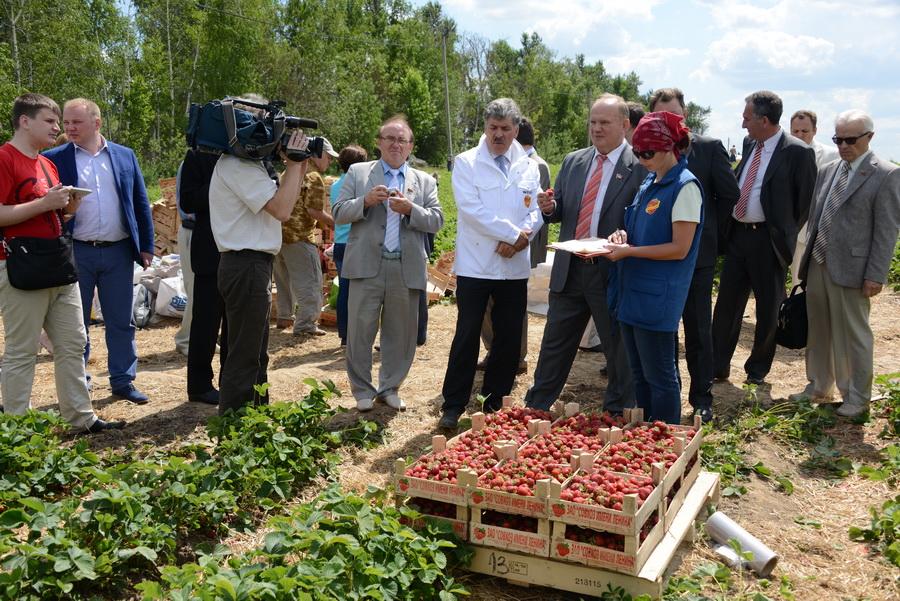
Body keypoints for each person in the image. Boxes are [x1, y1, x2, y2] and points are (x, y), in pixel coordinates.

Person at [0, 93, 123, 433]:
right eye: (50, 121)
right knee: (22, 351)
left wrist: (68, 208)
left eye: (59, 121)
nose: (58, 128)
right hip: (20, 266)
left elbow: (51, 212)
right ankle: (17, 430)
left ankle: (81, 419)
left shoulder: (46, 163)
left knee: (72, 343)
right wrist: (44, 204)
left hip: (57, 262)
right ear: (25, 122)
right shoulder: (4, 159)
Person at [523, 94, 646, 414]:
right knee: (555, 344)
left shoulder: (640, 167)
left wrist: (625, 238)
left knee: (617, 347)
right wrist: (550, 208)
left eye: (605, 122)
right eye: (593, 122)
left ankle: (616, 414)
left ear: (624, 125)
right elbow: (561, 209)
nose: (597, 128)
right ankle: (536, 407)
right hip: (570, 268)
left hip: (610, 271)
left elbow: (643, 222)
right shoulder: (574, 161)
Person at [439, 98, 541, 429]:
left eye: (505, 129)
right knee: (467, 334)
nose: (498, 134)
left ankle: (495, 401)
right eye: (492, 128)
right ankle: (453, 404)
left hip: (514, 265)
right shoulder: (467, 162)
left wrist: (526, 235)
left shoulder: (528, 165)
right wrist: (515, 235)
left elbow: (535, 208)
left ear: (516, 129)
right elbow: (472, 210)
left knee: (509, 336)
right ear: (485, 127)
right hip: (477, 264)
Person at [45, 98, 155, 405]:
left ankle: (123, 381)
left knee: (121, 320)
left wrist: (146, 245)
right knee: (75, 324)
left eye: (76, 122)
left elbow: (139, 201)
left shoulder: (124, 155)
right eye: (66, 122)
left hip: (118, 252)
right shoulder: (54, 158)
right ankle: (81, 382)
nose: (68, 128)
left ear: (97, 123)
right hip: (74, 251)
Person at [792, 110, 899, 417]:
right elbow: (816, 216)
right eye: (838, 139)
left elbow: (886, 231)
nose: (844, 146)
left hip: (854, 270)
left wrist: (875, 274)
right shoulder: (829, 169)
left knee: (853, 336)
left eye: (851, 140)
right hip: (819, 262)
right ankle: (819, 386)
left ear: (870, 137)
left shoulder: (886, 174)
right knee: (820, 331)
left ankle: (856, 397)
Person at [333, 116, 443, 412]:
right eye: (390, 139)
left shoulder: (425, 181)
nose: (396, 144)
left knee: (401, 333)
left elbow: (437, 220)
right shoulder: (358, 173)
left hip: (405, 267)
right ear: (379, 143)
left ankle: (390, 388)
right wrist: (365, 202)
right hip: (366, 264)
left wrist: (411, 210)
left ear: (410, 147)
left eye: (402, 140)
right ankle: (362, 391)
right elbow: (338, 212)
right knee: (359, 330)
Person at [209, 99, 309, 414]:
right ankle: (236, 432)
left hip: (251, 264)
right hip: (245, 264)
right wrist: (293, 166)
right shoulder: (238, 166)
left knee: (254, 351)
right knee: (243, 354)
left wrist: (298, 164)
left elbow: (285, 202)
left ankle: (256, 420)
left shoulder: (250, 165)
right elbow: (281, 210)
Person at [604, 111, 704, 424]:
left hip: (657, 296)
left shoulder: (685, 187)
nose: (642, 159)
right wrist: (622, 236)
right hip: (632, 291)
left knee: (660, 376)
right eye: (637, 152)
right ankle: (647, 436)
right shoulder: (650, 182)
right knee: (639, 374)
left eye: (647, 153)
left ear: (669, 148)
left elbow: (680, 248)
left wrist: (629, 251)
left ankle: (666, 441)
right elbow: (637, 229)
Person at [711, 91, 816, 385]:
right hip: (738, 237)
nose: (743, 124)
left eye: (747, 118)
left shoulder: (797, 152)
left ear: (765, 120)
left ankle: (756, 370)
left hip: (768, 242)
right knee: (727, 306)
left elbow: (804, 202)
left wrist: (781, 231)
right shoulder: (749, 143)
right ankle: (717, 366)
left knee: (768, 309)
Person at [648, 88, 740, 423]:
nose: (670, 123)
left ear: (686, 116)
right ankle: (665, 393)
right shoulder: (647, 148)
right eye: (662, 117)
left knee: (698, 327)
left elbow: (729, 196)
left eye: (676, 116)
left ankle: (702, 397)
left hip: (696, 257)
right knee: (664, 328)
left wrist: (710, 236)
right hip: (658, 256)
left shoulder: (710, 148)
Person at [478, 116, 550, 375]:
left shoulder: (535, 166)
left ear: (516, 136)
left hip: (521, 243)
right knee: (490, 304)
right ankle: (495, 350)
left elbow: (537, 210)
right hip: (491, 244)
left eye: (506, 131)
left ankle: (514, 355)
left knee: (514, 305)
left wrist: (517, 240)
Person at [273, 138, 337, 336]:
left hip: (279, 235)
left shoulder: (289, 171)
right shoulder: (314, 177)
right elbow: (314, 211)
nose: (330, 162)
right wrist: (338, 224)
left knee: (284, 281)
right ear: (317, 154)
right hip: (300, 237)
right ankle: (305, 325)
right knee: (310, 283)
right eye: (328, 156)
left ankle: (284, 318)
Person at [179, 147, 224, 406]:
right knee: (205, 323)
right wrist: (224, 182)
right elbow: (188, 201)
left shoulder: (255, 155)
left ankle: (232, 381)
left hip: (243, 250)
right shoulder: (199, 155)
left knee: (236, 324)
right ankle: (199, 385)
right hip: (209, 251)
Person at [789, 109, 840, 283]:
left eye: (805, 131)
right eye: (795, 131)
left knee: (813, 282)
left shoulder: (832, 155)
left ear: (815, 131)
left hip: (817, 229)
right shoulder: (782, 153)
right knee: (792, 281)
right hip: (788, 228)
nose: (800, 135)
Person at [330, 144, 368, 347]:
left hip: (340, 244)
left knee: (345, 290)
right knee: (362, 292)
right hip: (358, 244)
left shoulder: (335, 186)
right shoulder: (362, 186)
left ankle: (344, 335)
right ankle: (357, 335)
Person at [173, 161, 195, 356]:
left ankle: (204, 338)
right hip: (192, 231)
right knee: (196, 289)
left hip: (206, 232)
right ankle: (186, 340)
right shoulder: (191, 163)